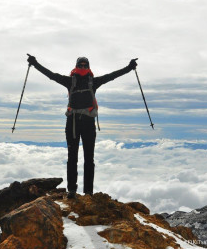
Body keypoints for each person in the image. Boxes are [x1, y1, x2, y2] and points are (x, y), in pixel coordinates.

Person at [27, 55, 137, 198]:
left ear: (88, 67)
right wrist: (35, 63)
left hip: (85, 123)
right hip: (73, 123)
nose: (83, 68)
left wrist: (129, 68)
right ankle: (72, 190)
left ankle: (88, 192)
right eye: (81, 65)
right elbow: (51, 75)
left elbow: (112, 76)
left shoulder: (92, 81)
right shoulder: (70, 81)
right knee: (72, 157)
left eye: (85, 65)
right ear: (76, 66)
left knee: (88, 158)